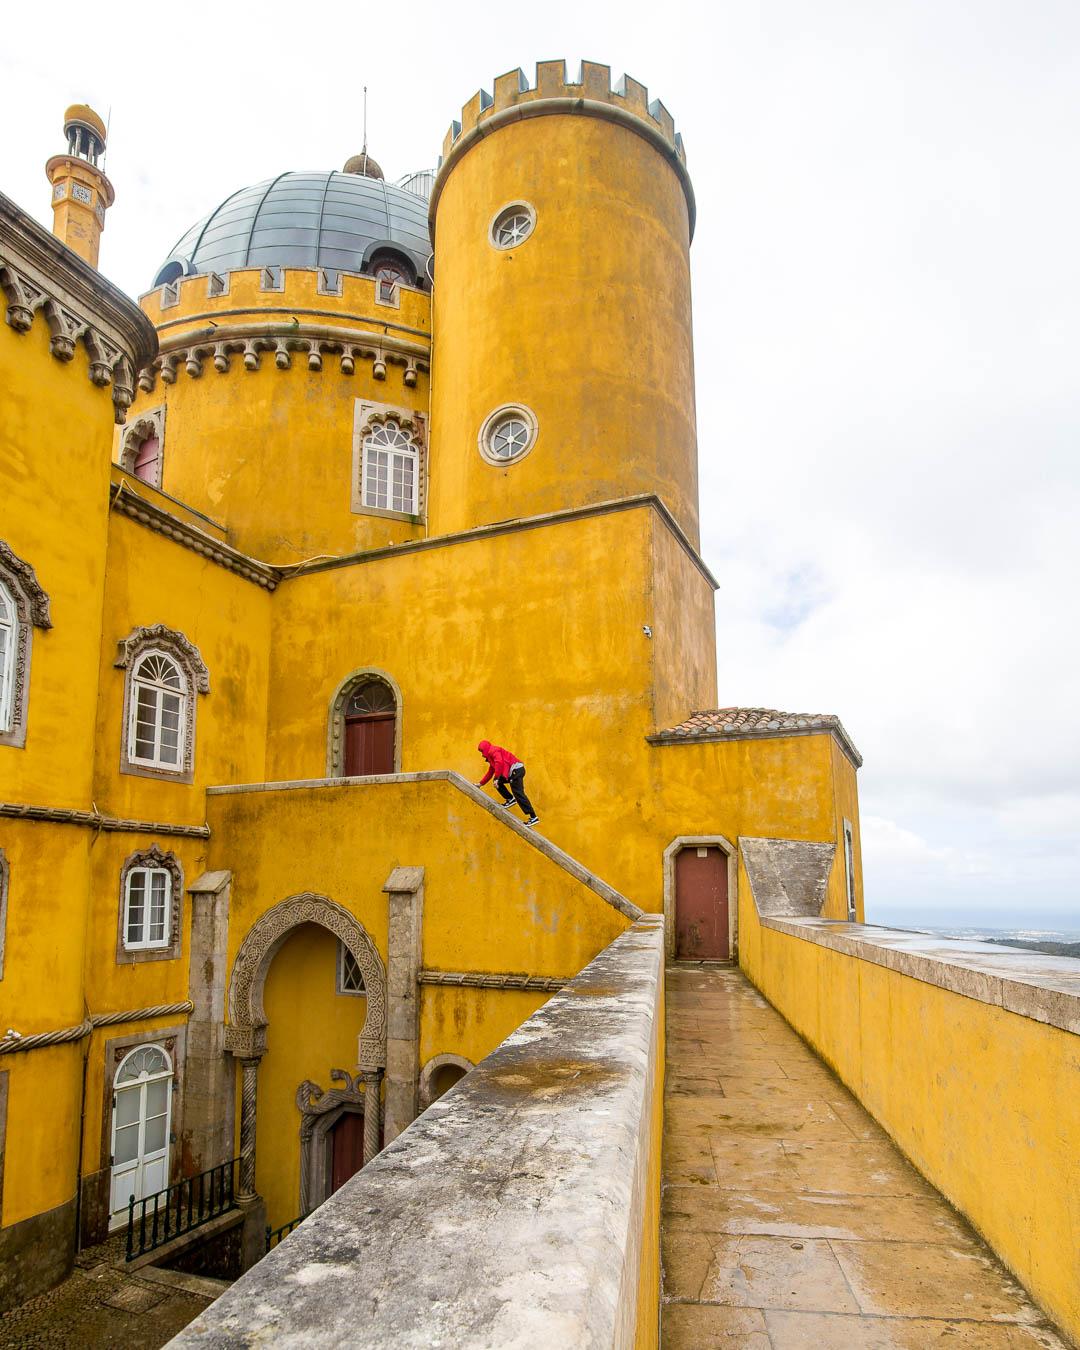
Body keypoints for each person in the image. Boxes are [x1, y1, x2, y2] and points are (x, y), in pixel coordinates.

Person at [476, 739, 539, 826]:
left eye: (482, 751)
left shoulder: (493, 751)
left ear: (485, 749)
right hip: (514, 772)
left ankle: (533, 817)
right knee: (498, 783)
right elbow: (490, 772)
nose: (482, 754)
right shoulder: (491, 757)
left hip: (516, 770)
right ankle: (510, 799)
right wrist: (480, 784)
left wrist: (497, 778)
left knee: (518, 793)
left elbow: (499, 762)